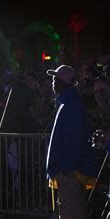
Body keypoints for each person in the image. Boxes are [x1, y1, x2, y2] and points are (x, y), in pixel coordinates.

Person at [46, 65, 97, 219]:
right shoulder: (69, 102)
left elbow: (74, 138)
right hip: (69, 169)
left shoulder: (71, 104)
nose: (53, 82)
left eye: (56, 79)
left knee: (72, 211)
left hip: (70, 170)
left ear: (65, 82)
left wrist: (66, 167)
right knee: (69, 210)